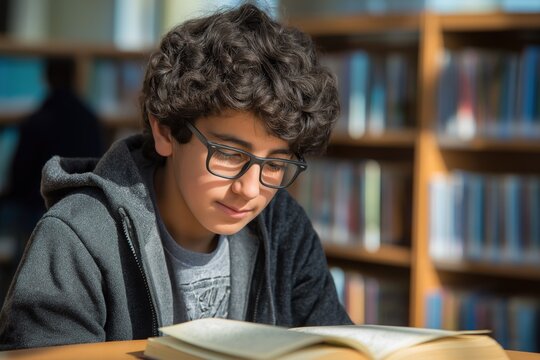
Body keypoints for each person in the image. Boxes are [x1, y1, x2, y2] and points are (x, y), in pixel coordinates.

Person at [0, 3, 351, 350]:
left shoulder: (283, 229)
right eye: (229, 154)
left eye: (275, 164)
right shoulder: (77, 238)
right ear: (166, 131)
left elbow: (336, 348)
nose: (250, 189)